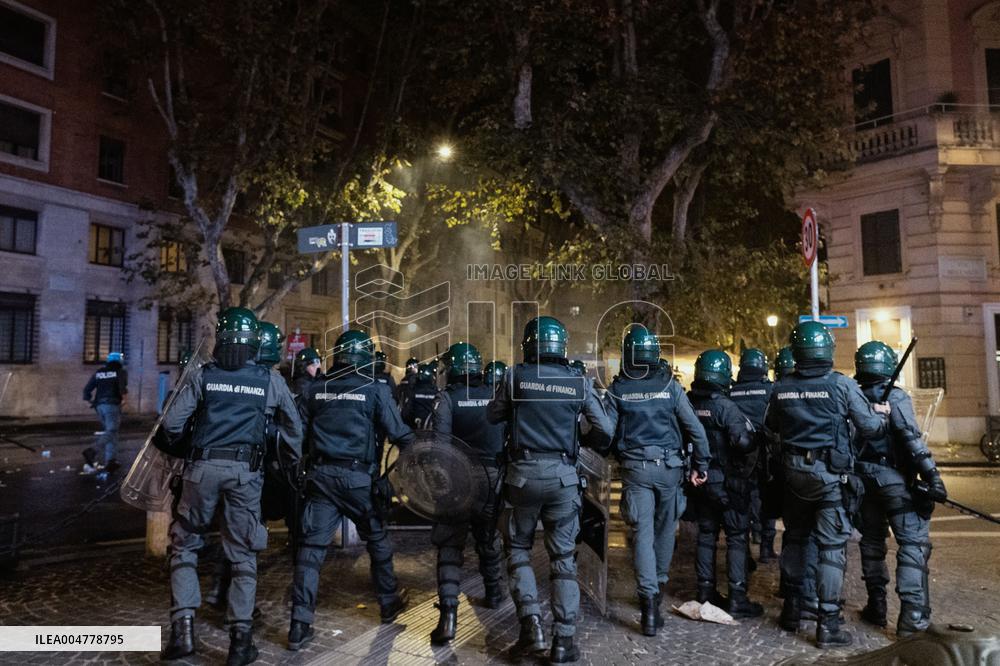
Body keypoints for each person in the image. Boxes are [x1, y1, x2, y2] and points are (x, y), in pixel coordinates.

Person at [161, 307, 303, 665]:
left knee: (185, 546)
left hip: (201, 470)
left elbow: (172, 424)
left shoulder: (203, 376)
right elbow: (294, 430)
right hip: (245, 474)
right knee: (242, 554)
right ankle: (240, 643)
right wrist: (286, 459)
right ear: (255, 343)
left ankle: (183, 634)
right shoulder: (269, 380)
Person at [487, 316, 614, 663]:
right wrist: (579, 438)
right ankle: (564, 642)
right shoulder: (579, 382)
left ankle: (531, 628)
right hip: (563, 479)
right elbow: (604, 431)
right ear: (561, 346)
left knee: (517, 550)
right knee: (562, 559)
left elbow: (492, 416)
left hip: (522, 478)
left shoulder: (515, 377)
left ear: (529, 344)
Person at [288, 330, 415, 651]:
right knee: (377, 541)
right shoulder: (373, 390)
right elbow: (398, 433)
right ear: (364, 358)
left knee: (310, 551)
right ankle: (388, 604)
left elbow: (296, 437)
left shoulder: (316, 390)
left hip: (321, 480)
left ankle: (299, 625)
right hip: (360, 481)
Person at [766, 321, 890, 648]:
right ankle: (828, 624)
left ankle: (792, 610)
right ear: (827, 349)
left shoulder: (781, 387)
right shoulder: (841, 385)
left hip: (793, 476)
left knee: (795, 538)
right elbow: (871, 429)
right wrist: (880, 416)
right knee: (831, 548)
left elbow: (772, 426)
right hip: (829, 478)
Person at [603, 324, 710, 636]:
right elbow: (694, 429)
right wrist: (700, 464)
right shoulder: (670, 385)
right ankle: (658, 589)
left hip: (636, 469)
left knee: (642, 533)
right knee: (665, 530)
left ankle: (648, 607)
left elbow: (606, 432)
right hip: (669, 469)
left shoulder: (618, 388)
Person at [853, 341, 947, 637]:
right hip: (894, 481)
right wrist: (932, 477)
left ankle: (876, 607)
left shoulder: (851, 397)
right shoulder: (895, 397)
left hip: (862, 481)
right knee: (913, 546)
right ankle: (913, 621)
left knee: (871, 543)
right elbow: (911, 439)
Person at [428, 342, 507, 644]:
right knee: (488, 540)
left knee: (450, 546)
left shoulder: (447, 399)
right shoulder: (494, 396)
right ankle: (495, 594)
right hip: (491, 479)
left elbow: (440, 444)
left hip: (458, 479)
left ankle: (448, 616)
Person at [687, 350, 763, 619]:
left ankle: (705, 591)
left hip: (700, 480)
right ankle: (737, 597)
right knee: (736, 538)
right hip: (728, 481)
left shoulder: (688, 402)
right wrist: (756, 438)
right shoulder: (725, 406)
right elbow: (742, 442)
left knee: (706, 536)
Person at [729, 348, 776, 562]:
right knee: (767, 501)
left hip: (738, 456)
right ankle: (766, 548)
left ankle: (744, 553)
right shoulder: (770, 390)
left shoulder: (731, 391)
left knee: (742, 504)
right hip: (764, 456)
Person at [82, 352, 128, 474]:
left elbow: (87, 389)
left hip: (99, 406)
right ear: (119, 361)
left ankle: (111, 461)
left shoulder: (100, 372)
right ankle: (92, 451)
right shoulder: (120, 371)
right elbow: (122, 386)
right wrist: (124, 399)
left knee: (111, 431)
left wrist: (88, 400)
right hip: (112, 405)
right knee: (112, 430)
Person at [399, 362, 438, 428]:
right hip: (432, 431)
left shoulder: (413, 392)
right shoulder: (437, 393)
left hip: (415, 430)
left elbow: (406, 413)